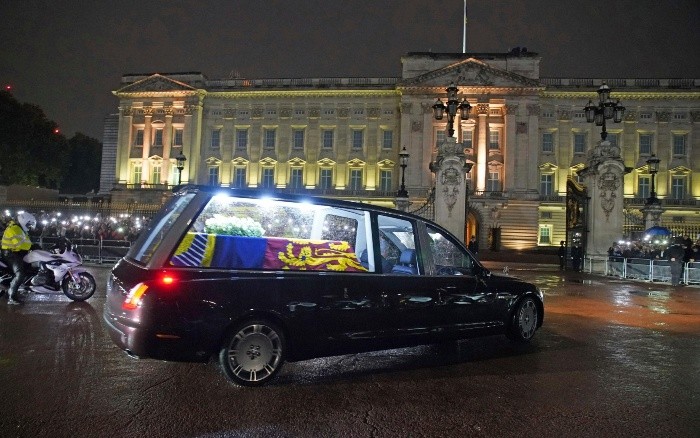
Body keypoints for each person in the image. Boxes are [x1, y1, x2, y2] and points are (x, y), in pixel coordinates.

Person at [1, 212, 36, 304]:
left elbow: (26, 242)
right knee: (20, 273)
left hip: (17, 253)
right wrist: (32, 247)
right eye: (29, 224)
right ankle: (12, 297)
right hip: (10, 254)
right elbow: (19, 244)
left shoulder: (20, 229)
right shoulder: (14, 229)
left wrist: (33, 246)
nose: (29, 226)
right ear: (24, 221)